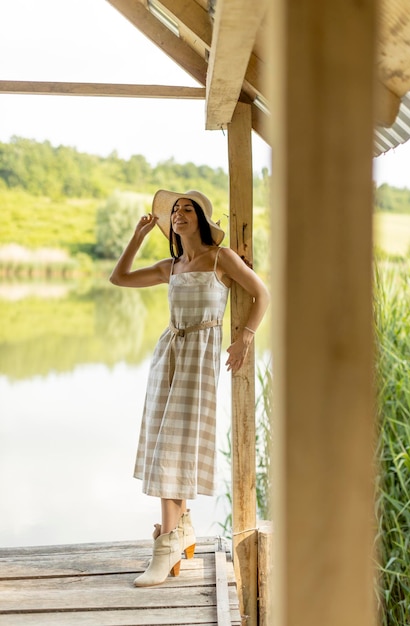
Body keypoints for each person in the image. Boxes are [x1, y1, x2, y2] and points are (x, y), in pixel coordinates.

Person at [109, 189, 269, 587]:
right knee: (165, 445)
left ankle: (168, 545)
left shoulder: (221, 258)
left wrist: (245, 337)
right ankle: (180, 533)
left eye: (187, 210)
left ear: (200, 219)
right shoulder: (172, 265)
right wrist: (138, 236)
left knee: (173, 448)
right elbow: (119, 277)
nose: (179, 215)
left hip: (200, 358)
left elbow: (261, 294)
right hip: (169, 354)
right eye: (175, 211)